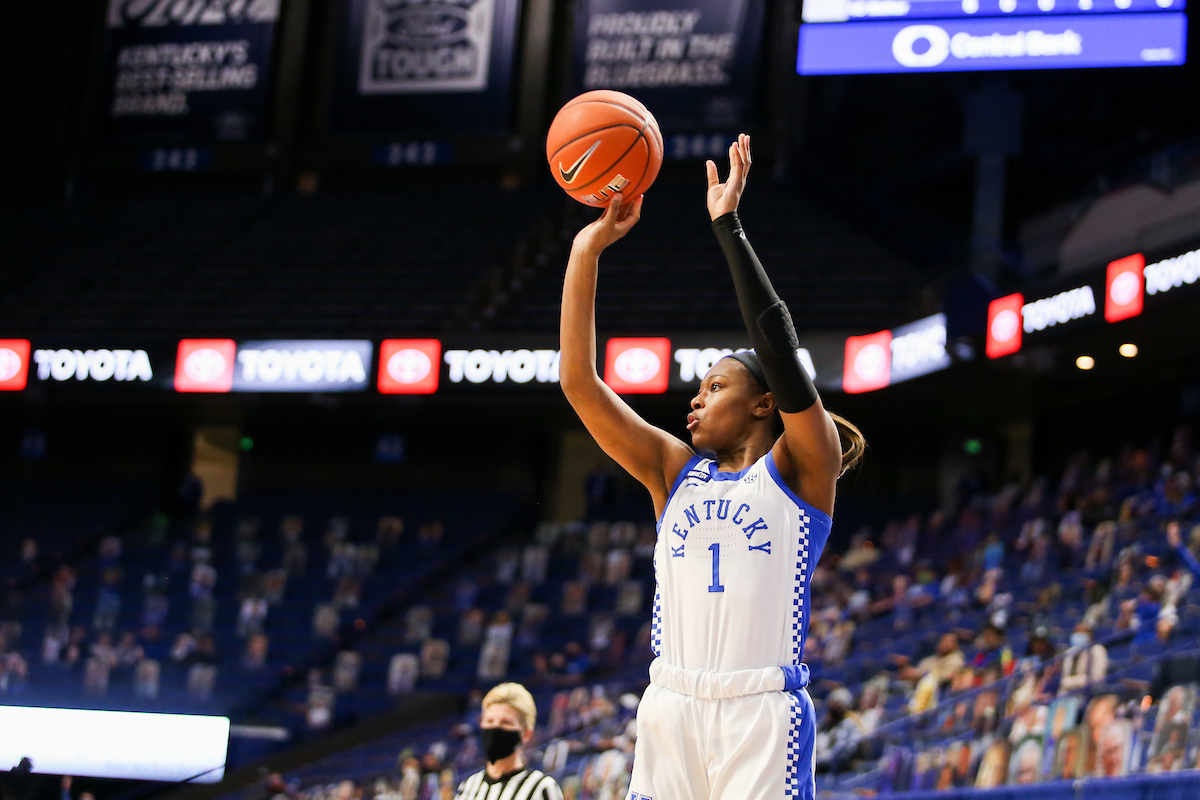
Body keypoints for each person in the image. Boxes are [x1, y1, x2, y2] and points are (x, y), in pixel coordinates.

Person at [559, 134, 865, 800]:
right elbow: (580, 382)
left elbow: (779, 347)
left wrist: (729, 227)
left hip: (760, 711)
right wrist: (587, 249)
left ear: (764, 404)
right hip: (670, 702)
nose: (695, 400)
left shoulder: (803, 470)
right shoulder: (674, 472)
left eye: (715, 387)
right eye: (697, 389)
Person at [452, 683, 561, 800]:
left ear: (526, 733)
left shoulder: (542, 788)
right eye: (489, 721)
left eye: (506, 722)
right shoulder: (469, 786)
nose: (495, 728)